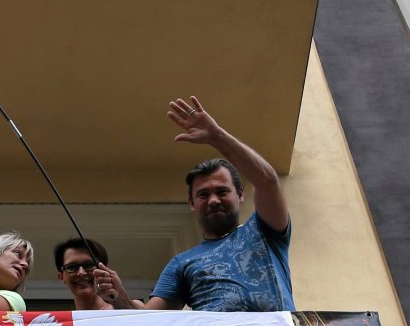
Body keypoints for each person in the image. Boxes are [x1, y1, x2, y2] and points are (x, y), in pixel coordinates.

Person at [97, 96, 293, 312]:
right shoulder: (181, 263)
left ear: (240, 195)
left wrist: (217, 136)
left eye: (222, 191)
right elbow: (150, 322)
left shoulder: (265, 232)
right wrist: (120, 298)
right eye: (203, 195)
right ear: (191, 204)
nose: (214, 200)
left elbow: (267, 180)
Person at [52, 237, 125, 311]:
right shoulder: (68, 321)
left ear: (104, 271)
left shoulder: (123, 312)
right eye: (72, 267)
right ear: (61, 277)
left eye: (89, 265)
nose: (81, 272)